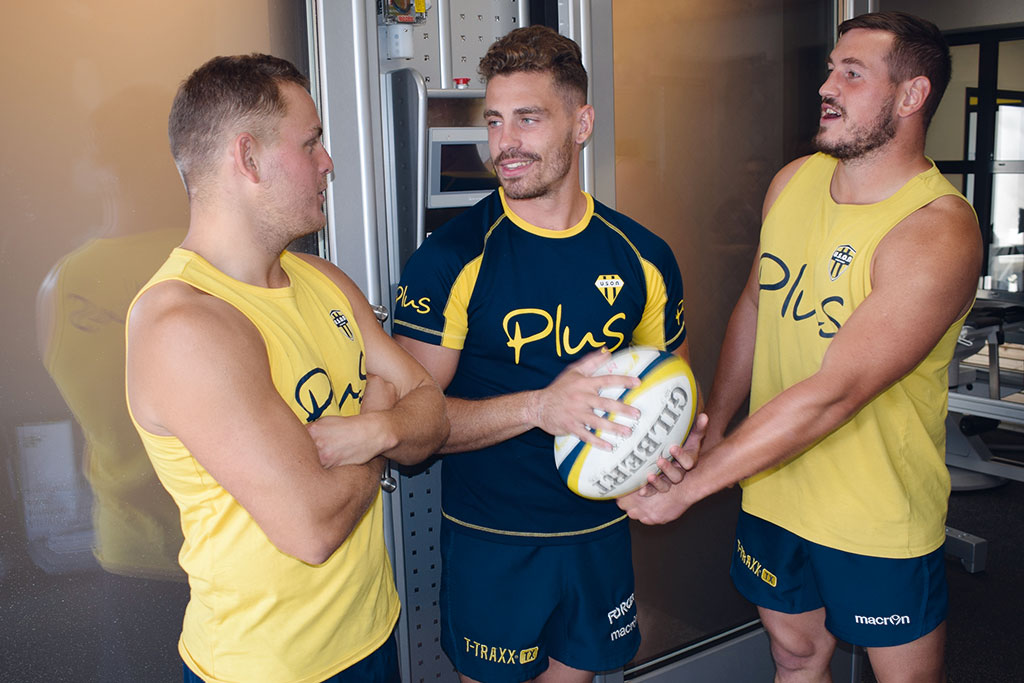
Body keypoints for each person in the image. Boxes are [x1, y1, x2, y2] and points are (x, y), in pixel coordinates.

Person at [619, 11, 981, 683]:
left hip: (876, 514)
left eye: (852, 72)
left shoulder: (936, 232)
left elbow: (833, 393)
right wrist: (711, 426)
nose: (827, 85)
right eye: (830, 68)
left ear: (911, 96)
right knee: (794, 656)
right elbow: (759, 304)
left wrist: (693, 486)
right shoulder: (794, 181)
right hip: (774, 493)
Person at [125, 54, 449, 683]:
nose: (328, 162)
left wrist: (371, 430)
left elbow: (429, 409)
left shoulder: (321, 279)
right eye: (312, 143)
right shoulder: (184, 326)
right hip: (269, 668)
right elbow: (314, 526)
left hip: (372, 634)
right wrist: (384, 412)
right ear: (248, 158)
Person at [393, 25, 697, 683]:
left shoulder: (643, 256)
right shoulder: (451, 260)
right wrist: (538, 406)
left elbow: (669, 384)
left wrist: (672, 448)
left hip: (600, 539)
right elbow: (404, 433)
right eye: (495, 121)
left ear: (581, 122)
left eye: (528, 119)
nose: (505, 143)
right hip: (494, 543)